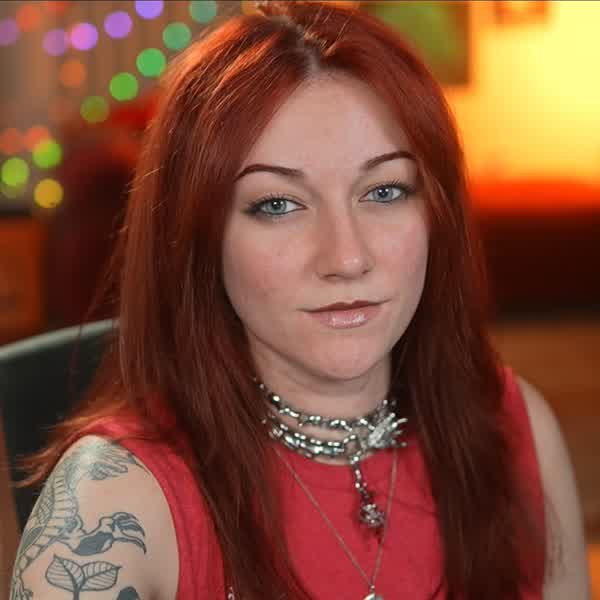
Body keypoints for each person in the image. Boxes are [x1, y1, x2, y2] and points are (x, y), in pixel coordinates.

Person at [9, 2, 591, 599]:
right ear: (198, 238)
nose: (347, 257)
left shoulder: (515, 428)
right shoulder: (108, 504)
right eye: (278, 204)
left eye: (385, 191)